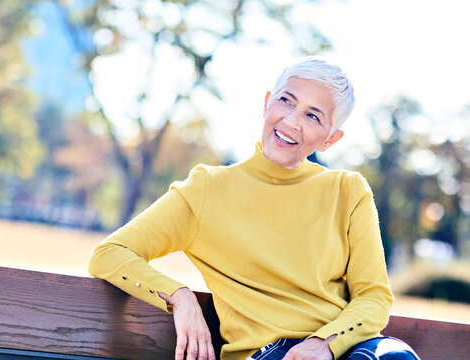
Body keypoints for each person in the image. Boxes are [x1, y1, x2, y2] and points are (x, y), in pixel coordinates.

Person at [88, 58, 420, 360]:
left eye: (312, 115)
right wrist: (179, 297)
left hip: (342, 352)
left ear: (329, 140)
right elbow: (110, 253)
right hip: (266, 353)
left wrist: (323, 345)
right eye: (286, 100)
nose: (291, 121)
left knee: (395, 358)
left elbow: (374, 297)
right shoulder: (207, 189)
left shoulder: (348, 191)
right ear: (266, 102)